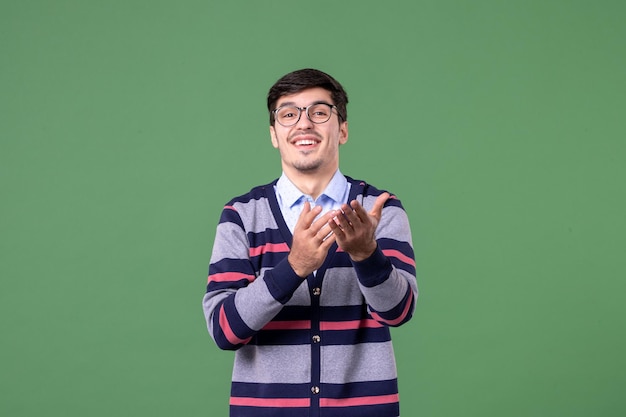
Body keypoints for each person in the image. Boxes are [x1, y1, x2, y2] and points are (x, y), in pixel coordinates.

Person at [202, 68, 418, 417]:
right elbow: (225, 330)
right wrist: (293, 267)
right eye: (288, 114)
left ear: (342, 129)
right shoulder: (241, 215)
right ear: (274, 134)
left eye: (319, 112)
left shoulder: (378, 209)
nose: (304, 124)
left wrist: (366, 255)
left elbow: (399, 311)